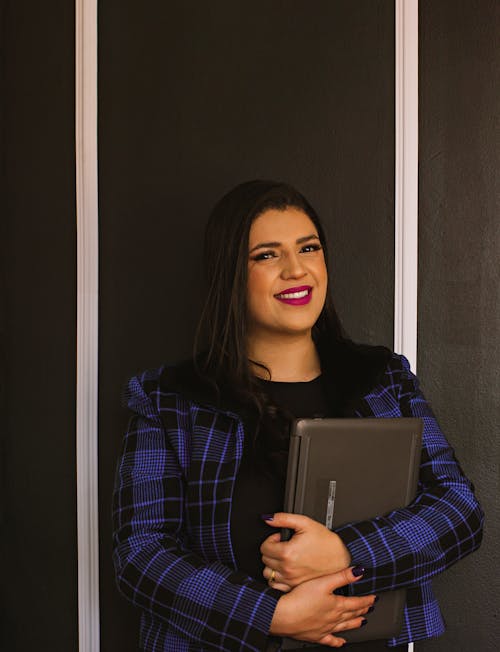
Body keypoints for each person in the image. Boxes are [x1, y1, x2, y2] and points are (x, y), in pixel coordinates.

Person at [112, 180, 484, 651]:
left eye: (308, 248)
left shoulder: (381, 378)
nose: (296, 269)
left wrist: (346, 552)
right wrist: (269, 615)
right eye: (267, 255)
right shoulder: (169, 399)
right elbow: (141, 554)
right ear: (230, 273)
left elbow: (457, 512)